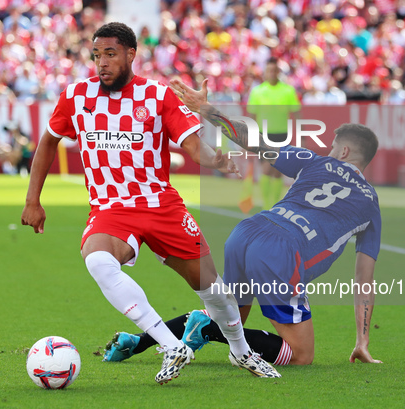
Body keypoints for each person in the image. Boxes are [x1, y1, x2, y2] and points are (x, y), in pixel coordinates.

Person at [20, 22, 280, 384]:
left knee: (212, 289)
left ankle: (241, 351)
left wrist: (218, 160)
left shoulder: (157, 96)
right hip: (111, 210)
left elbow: (192, 146)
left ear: (130, 54)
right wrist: (33, 200)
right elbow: (48, 142)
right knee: (96, 258)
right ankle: (171, 345)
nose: (102, 63)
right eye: (96, 55)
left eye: (110, 54)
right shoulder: (76, 96)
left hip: (161, 206)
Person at [104, 78, 382, 366]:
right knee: (301, 355)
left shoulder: (313, 161)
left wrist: (208, 109)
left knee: (227, 314)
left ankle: (137, 342)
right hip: (283, 250)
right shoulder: (371, 204)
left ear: (345, 152)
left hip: (247, 232)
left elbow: (255, 142)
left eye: (334, 146)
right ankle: (206, 328)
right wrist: (362, 340)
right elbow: (364, 279)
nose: (330, 151)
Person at [246, 57, 301, 210]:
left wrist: (302, 135)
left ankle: (274, 204)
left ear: (278, 72)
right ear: (265, 72)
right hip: (264, 135)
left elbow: (296, 113)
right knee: (267, 168)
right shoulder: (257, 91)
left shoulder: (288, 90)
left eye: (274, 70)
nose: (271, 73)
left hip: (282, 135)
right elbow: (252, 116)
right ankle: (266, 203)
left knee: (278, 172)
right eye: (268, 70)